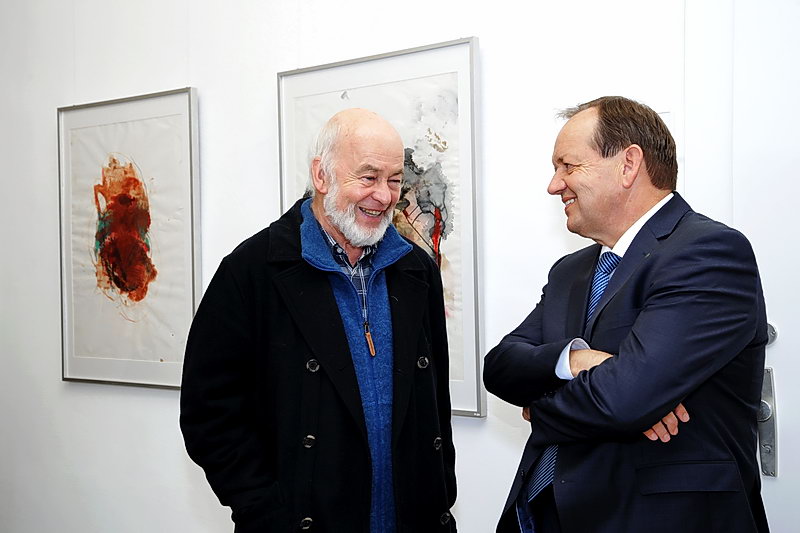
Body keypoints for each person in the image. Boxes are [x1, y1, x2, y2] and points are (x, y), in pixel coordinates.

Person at [483, 96, 768, 533]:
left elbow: (623, 402)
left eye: (567, 166)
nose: (554, 185)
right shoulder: (570, 270)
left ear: (628, 164)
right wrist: (577, 360)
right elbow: (500, 366)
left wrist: (537, 407)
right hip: (546, 511)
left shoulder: (708, 252)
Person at [180, 108, 457, 533]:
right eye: (368, 177)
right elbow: (209, 413)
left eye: (394, 180)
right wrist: (264, 509)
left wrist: (441, 491)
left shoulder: (417, 269)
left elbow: (436, 399)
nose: (384, 196)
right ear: (321, 175)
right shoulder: (251, 271)